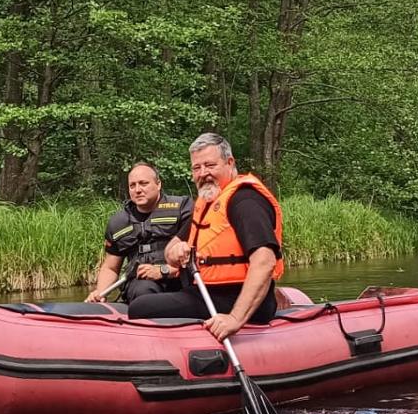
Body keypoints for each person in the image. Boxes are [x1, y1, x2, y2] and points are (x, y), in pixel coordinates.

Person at [129, 133, 283, 342]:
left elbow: (265, 261)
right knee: (144, 296)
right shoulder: (208, 202)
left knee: (141, 307)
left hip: (235, 297)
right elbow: (172, 248)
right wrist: (174, 252)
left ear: (230, 163)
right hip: (205, 292)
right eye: (196, 168)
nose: (203, 174)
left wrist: (235, 319)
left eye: (210, 165)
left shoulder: (245, 201)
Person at [87, 162, 193, 304]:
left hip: (180, 277)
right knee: (144, 289)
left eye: (143, 183)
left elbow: (197, 252)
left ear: (158, 184)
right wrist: (100, 292)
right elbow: (110, 267)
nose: (137, 190)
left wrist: (164, 271)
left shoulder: (182, 208)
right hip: (142, 285)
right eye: (132, 185)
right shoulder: (118, 222)